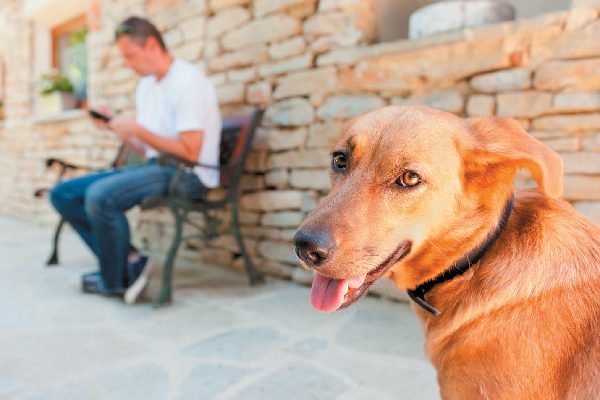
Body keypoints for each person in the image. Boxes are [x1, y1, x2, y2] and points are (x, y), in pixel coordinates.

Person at [50, 16, 222, 304]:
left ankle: (112, 280)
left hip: (189, 174)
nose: (127, 64)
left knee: (100, 196)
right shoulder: (146, 87)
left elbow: (190, 152)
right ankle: (128, 261)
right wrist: (117, 128)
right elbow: (146, 150)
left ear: (152, 45)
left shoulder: (188, 80)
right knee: (63, 194)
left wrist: (138, 129)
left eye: (130, 56)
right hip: (158, 167)